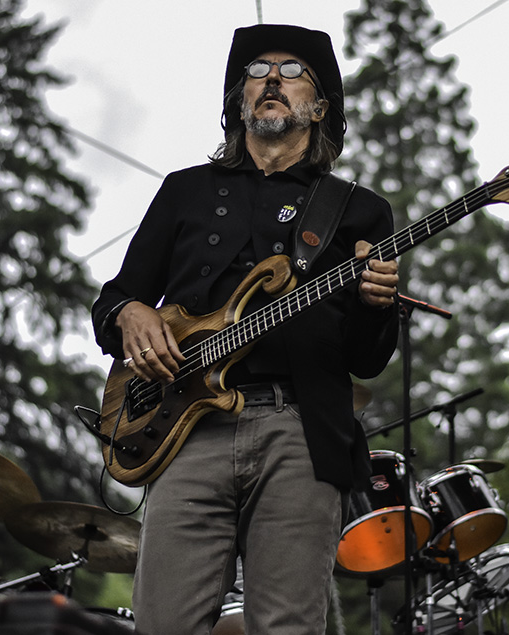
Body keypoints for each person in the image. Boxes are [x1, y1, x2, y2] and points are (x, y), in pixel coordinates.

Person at [91, 23, 400, 635]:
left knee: (287, 626)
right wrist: (130, 314)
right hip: (186, 433)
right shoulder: (185, 192)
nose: (273, 81)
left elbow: (368, 359)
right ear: (239, 101)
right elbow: (113, 301)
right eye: (258, 71)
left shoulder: (359, 210)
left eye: (291, 71)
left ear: (319, 107)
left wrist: (374, 302)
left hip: (301, 433)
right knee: (164, 623)